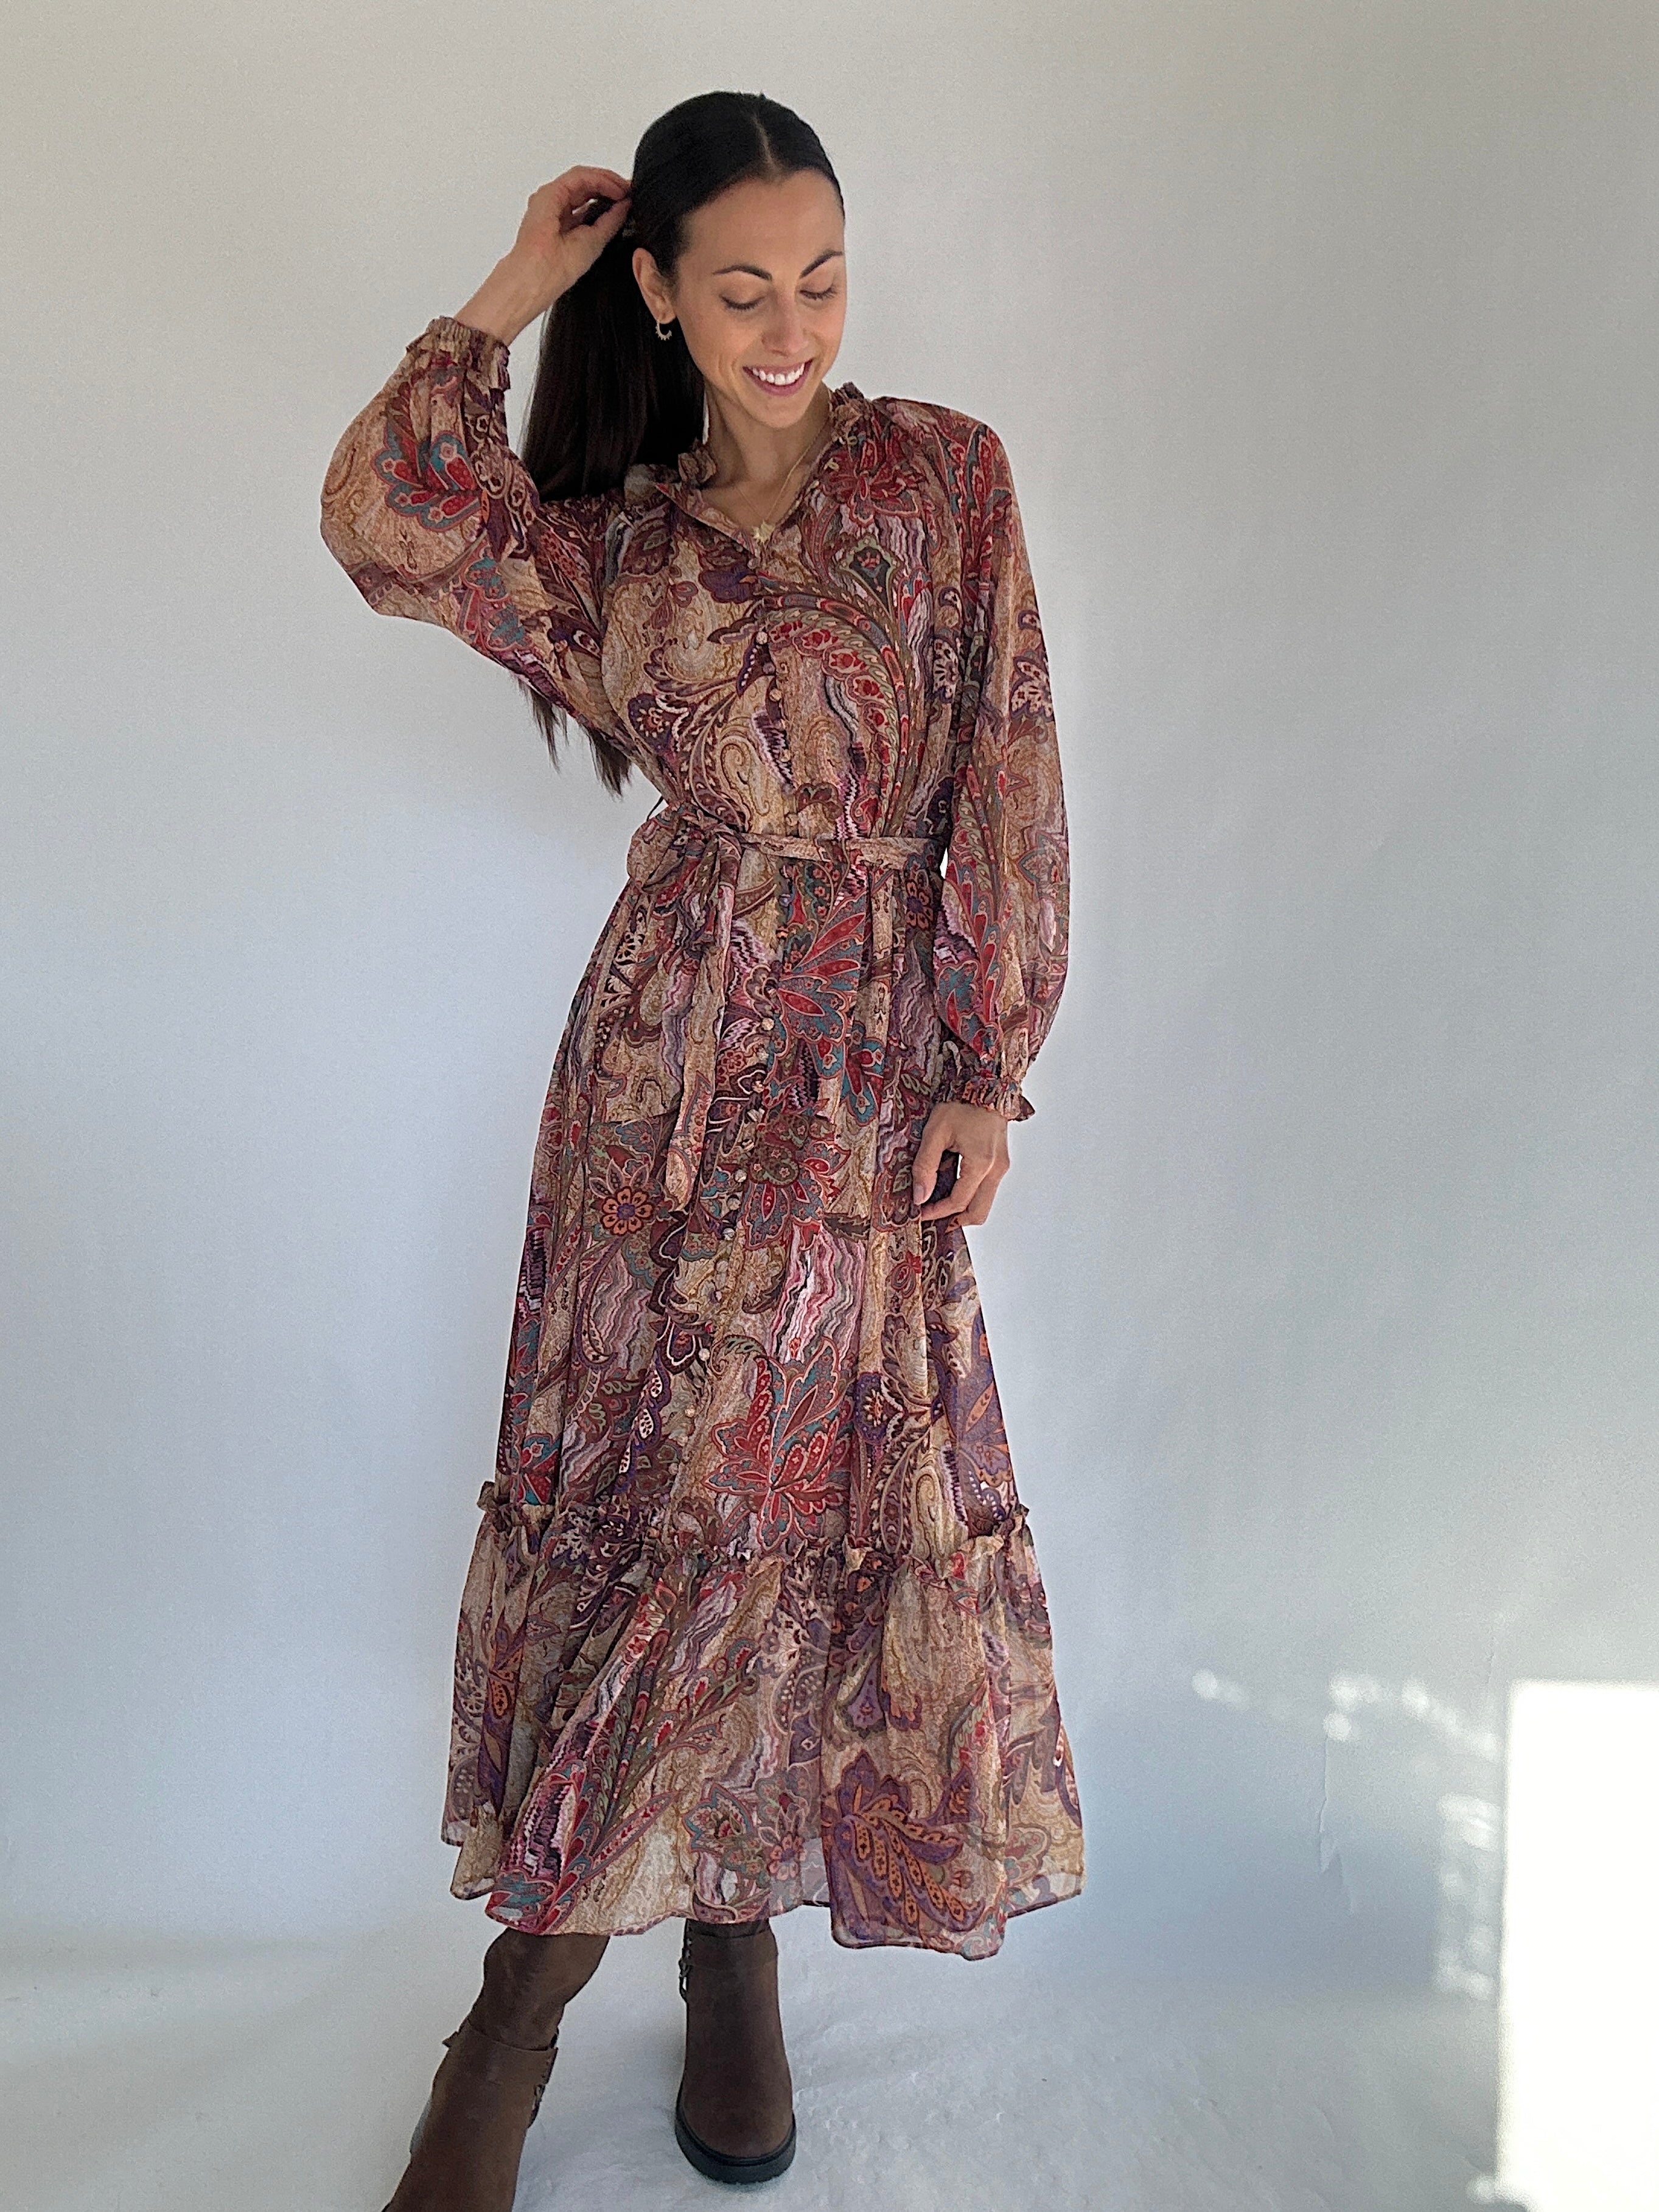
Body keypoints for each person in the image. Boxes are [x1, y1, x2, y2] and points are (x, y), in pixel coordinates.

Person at [320, 88, 1084, 2210]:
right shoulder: (621, 549)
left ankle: (662, 1958)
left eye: (823, 279)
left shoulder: (944, 480)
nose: (793, 326)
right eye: (739, 287)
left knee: (775, 1506)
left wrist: (977, 1060)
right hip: (656, 1085)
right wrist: (509, 291)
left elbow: (1005, 758)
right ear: (656, 291)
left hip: (858, 1093)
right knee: (667, 1499)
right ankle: (557, 1999)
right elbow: (387, 520)